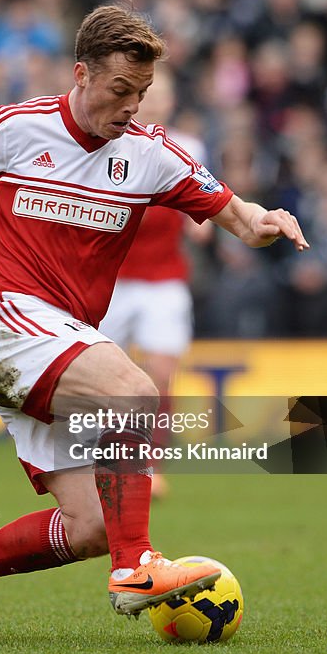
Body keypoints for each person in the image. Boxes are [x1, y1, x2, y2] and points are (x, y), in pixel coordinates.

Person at [0, 4, 309, 640]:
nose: (131, 106)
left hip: (65, 342)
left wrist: (268, 223)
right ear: (80, 73)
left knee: (91, 528)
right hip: (8, 321)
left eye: (143, 93)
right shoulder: (20, 128)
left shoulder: (153, 156)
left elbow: (240, 216)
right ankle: (138, 567)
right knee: (132, 392)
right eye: (120, 90)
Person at [97, 65, 212, 500]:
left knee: (161, 374)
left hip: (164, 277)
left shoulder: (187, 147)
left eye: (163, 94)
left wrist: (199, 219)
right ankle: (105, 462)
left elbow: (201, 206)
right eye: (150, 93)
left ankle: (151, 466)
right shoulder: (110, 142)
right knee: (107, 378)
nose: (155, 101)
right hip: (114, 278)